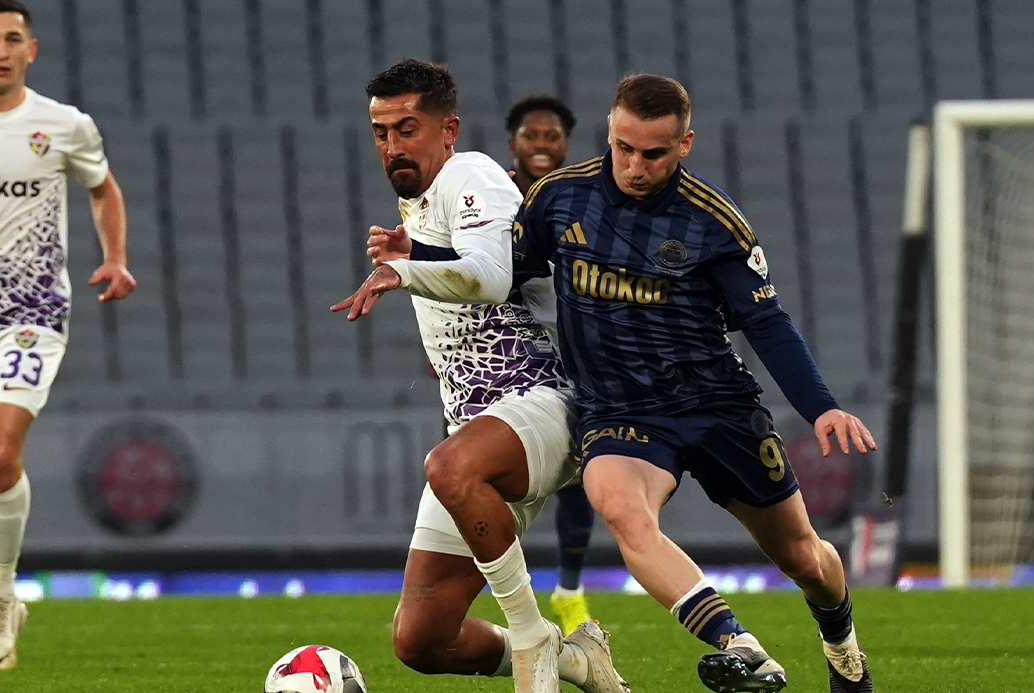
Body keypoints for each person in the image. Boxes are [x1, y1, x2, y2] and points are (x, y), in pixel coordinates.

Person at [368, 74, 877, 693]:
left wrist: (821, 407)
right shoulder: (560, 198)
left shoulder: (715, 222)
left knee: (802, 555)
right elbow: (508, 273)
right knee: (621, 508)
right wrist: (423, 254)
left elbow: (766, 322)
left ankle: (843, 649)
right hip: (618, 410)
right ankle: (740, 647)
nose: (635, 167)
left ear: (684, 143)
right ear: (609, 131)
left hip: (715, 403)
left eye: (653, 154)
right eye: (623, 148)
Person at [331, 59, 626, 693]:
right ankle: (577, 660)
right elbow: (480, 272)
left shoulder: (471, 174)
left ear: (448, 129)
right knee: (422, 639)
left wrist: (404, 271)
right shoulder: (418, 200)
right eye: (381, 132)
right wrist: (416, 256)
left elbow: (490, 277)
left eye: (407, 129)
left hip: (545, 394)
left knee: (447, 466)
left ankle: (532, 635)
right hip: (483, 420)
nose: (392, 145)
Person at [0, 0, 135, 670]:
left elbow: (102, 188)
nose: (2, 49)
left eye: (14, 38)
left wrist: (116, 257)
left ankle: (0, 593)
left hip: (34, 313)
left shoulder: (63, 125)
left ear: (31, 50)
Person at [504, 94, 595, 634]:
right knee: (487, 479)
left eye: (551, 136)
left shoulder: (583, 198)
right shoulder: (492, 198)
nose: (541, 144)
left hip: (572, 355)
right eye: (531, 135)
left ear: (565, 144)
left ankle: (569, 590)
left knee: (583, 477)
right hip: (503, 358)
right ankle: (504, 589)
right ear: (512, 143)